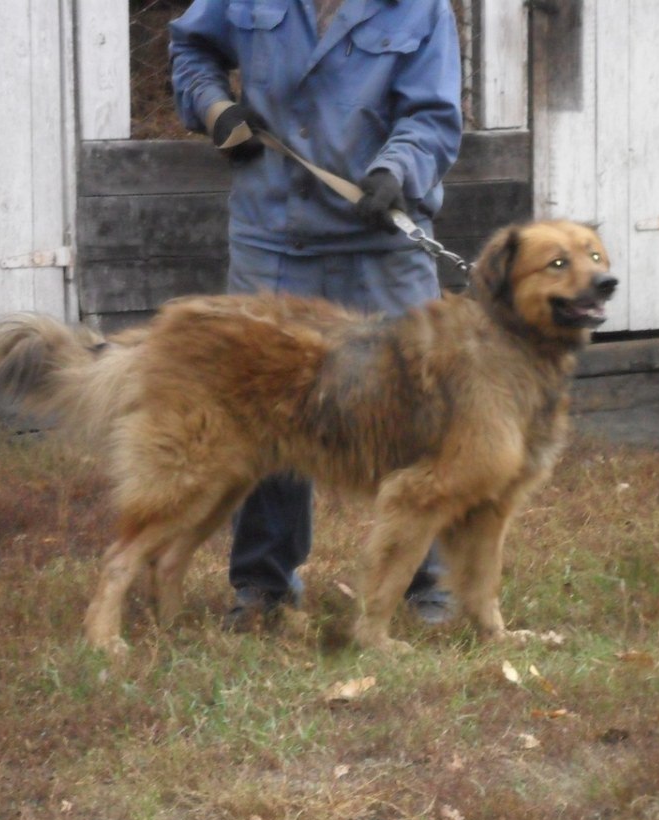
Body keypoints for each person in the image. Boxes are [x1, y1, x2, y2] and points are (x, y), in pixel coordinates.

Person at [169, 0, 463, 630]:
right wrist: (215, 108)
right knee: (264, 409)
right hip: (274, 235)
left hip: (380, 238)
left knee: (419, 410)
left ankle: (429, 583)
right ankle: (263, 587)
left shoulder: (422, 8)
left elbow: (433, 115)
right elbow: (191, 50)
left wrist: (397, 168)